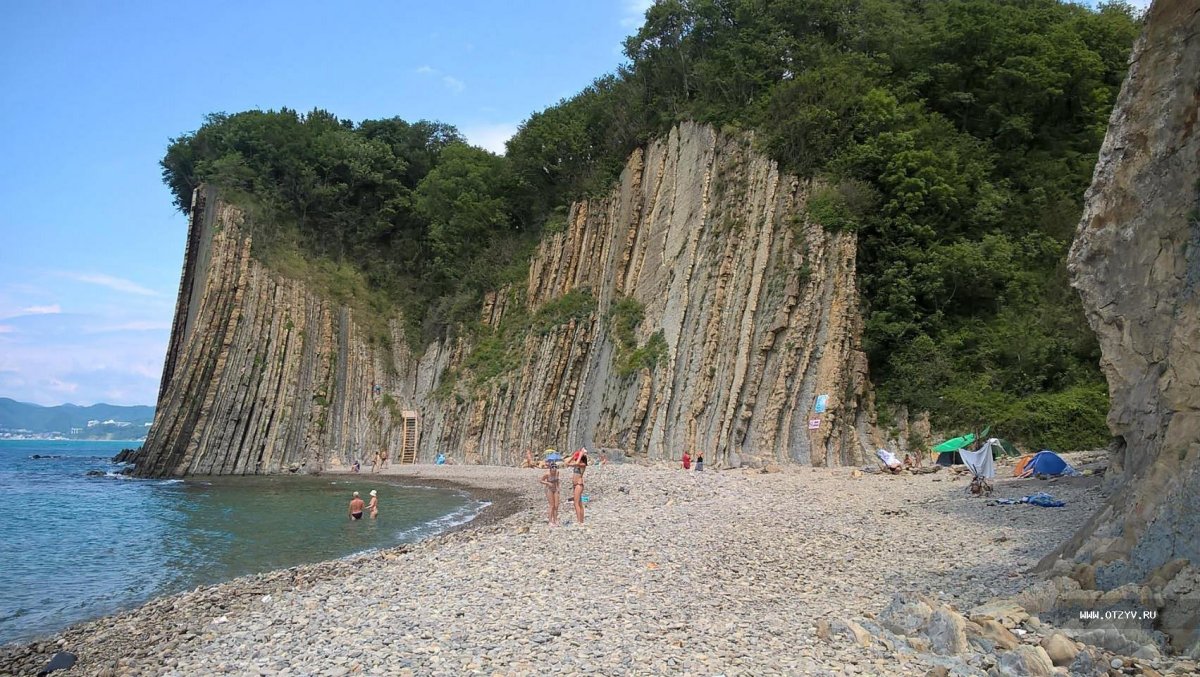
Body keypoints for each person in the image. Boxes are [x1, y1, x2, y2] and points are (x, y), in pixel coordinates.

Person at [566, 447, 589, 524]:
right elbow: (567, 463)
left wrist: (581, 454)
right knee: (579, 503)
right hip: (575, 485)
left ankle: (579, 521)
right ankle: (581, 521)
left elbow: (576, 463)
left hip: (579, 484)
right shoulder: (577, 464)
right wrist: (573, 456)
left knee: (576, 503)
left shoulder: (582, 464)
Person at [540, 460, 561, 526]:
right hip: (549, 489)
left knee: (556, 505)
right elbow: (541, 480)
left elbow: (557, 480)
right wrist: (548, 483)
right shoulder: (547, 474)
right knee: (552, 505)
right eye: (552, 470)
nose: (554, 472)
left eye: (555, 470)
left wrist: (558, 488)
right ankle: (550, 521)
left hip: (555, 489)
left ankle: (555, 520)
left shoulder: (557, 472)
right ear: (550, 469)